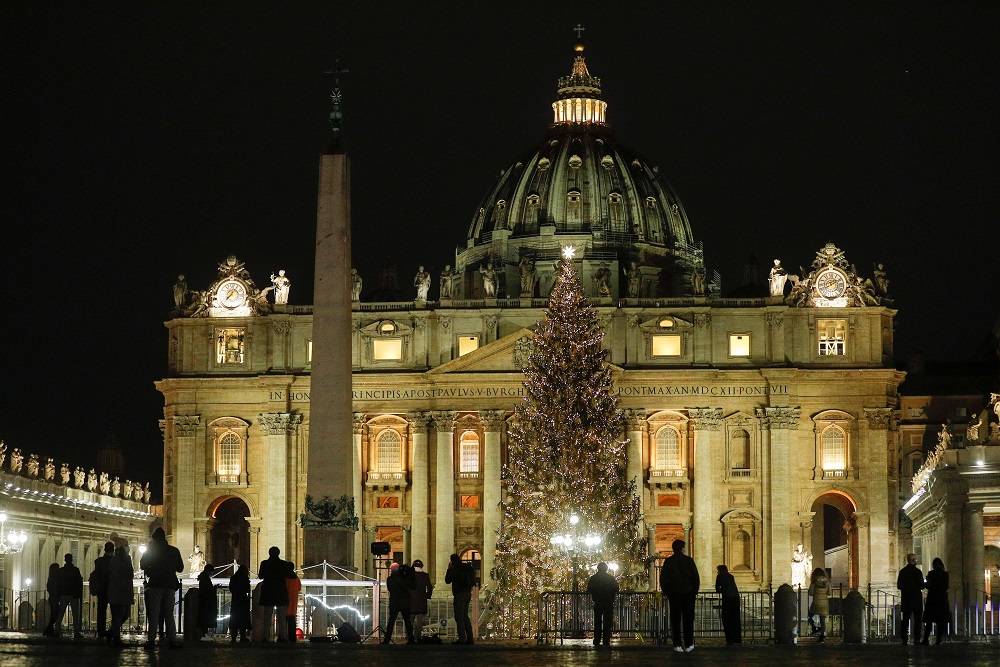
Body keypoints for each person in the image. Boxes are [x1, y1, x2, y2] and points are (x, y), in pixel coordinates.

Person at [139, 526, 184, 650]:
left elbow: (142, 565)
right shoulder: (174, 551)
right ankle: (172, 639)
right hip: (169, 584)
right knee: (168, 613)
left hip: (155, 584)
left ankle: (151, 639)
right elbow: (180, 568)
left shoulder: (151, 551)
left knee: (154, 613)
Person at [659, 539, 700, 652]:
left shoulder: (669, 561)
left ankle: (677, 644)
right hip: (688, 594)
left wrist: (668, 592)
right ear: (682, 548)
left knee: (675, 620)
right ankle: (688, 644)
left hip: (674, 594)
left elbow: (663, 579)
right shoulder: (689, 561)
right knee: (688, 620)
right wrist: (694, 592)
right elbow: (695, 577)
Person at [258, 546, 289, 642]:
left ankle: (265, 636)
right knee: (281, 616)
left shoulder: (264, 563)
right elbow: (288, 575)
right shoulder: (283, 564)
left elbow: (260, 576)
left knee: (267, 616)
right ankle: (282, 636)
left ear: (269, 553)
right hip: (280, 591)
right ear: (279, 553)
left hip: (268, 591)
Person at [445, 553, 476, 645]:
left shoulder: (455, 568)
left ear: (452, 560)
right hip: (467, 593)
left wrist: (449, 569)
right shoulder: (466, 567)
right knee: (465, 616)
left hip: (459, 593)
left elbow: (447, 580)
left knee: (459, 617)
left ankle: (462, 638)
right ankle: (470, 638)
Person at [107, 545, 135, 647]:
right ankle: (116, 637)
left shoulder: (117, 560)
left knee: (124, 614)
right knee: (119, 615)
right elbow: (128, 573)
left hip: (121, 591)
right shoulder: (118, 561)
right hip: (119, 591)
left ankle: (112, 632)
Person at [586, 561, 619, 647]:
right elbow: (616, 588)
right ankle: (606, 639)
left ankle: (597, 639)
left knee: (597, 621)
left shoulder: (594, 578)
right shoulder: (610, 578)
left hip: (598, 601)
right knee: (607, 621)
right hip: (608, 602)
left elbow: (589, 589)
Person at [383, 562, 415, 644]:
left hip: (394, 602)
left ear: (391, 570)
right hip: (405, 602)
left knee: (391, 622)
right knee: (407, 622)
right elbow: (413, 586)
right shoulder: (405, 579)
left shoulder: (389, 579)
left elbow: (390, 589)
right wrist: (410, 573)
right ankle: (411, 639)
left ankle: (387, 639)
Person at [54, 553, 84, 638]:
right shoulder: (75, 570)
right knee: (75, 614)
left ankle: (57, 630)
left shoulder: (61, 571)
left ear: (65, 560)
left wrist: (58, 594)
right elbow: (79, 583)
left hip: (63, 594)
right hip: (73, 595)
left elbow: (58, 583)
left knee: (61, 613)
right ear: (71, 559)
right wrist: (78, 594)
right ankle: (76, 632)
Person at [897, 553, 924, 644]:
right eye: (915, 560)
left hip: (906, 598)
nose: (916, 561)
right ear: (913, 561)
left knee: (905, 619)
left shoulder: (903, 572)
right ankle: (916, 638)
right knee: (917, 620)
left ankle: (904, 639)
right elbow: (921, 585)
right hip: (916, 599)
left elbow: (899, 585)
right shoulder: (918, 572)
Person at [922, 558, 949, 645]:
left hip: (932, 598)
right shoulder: (945, 574)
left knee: (929, 620)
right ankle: (938, 640)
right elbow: (946, 587)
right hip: (941, 598)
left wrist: (927, 582)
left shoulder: (931, 573)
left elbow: (928, 585)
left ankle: (926, 639)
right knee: (940, 620)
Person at [92, 541, 114, 639]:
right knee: (115, 611)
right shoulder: (115, 561)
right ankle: (113, 630)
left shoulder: (98, 561)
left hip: (101, 589)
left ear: (104, 550)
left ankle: (101, 631)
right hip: (113, 588)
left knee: (101, 611)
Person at [715, 564, 741, 644]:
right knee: (735, 618)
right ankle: (737, 639)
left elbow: (717, 588)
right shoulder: (731, 576)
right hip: (735, 597)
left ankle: (729, 638)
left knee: (726, 618)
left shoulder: (720, 576)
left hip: (727, 598)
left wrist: (721, 590)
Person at [410, 559, 434, 642]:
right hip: (421, 601)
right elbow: (430, 588)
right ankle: (417, 637)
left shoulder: (409, 575)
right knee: (419, 622)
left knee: (409, 621)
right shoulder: (425, 575)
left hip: (410, 601)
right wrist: (427, 596)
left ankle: (409, 637)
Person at [228, 565, 252, 642]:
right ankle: (242, 636)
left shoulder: (233, 578)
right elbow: (247, 589)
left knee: (234, 618)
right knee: (243, 619)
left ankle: (233, 637)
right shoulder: (245, 578)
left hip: (235, 600)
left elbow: (231, 588)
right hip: (243, 600)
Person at [808, 567, 830, 643]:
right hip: (824, 603)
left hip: (816, 602)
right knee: (822, 620)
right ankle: (822, 636)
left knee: (809, 616)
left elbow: (810, 593)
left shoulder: (814, 582)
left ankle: (815, 628)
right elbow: (829, 593)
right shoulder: (827, 582)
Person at [197, 564, 218, 640]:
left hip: (203, 601)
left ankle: (204, 633)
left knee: (204, 618)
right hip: (206, 601)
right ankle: (204, 634)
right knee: (206, 618)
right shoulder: (205, 579)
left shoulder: (203, 578)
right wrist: (214, 588)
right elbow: (208, 590)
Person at [42, 562, 61, 636]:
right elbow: (51, 589)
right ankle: (48, 629)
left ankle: (49, 629)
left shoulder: (52, 578)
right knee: (55, 614)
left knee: (55, 614)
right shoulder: (53, 579)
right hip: (54, 598)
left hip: (53, 598)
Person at [285, 563, 301, 642]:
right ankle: (292, 637)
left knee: (283, 621)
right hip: (293, 601)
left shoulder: (285, 578)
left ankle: (283, 636)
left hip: (285, 601)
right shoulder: (296, 578)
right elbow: (299, 588)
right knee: (292, 621)